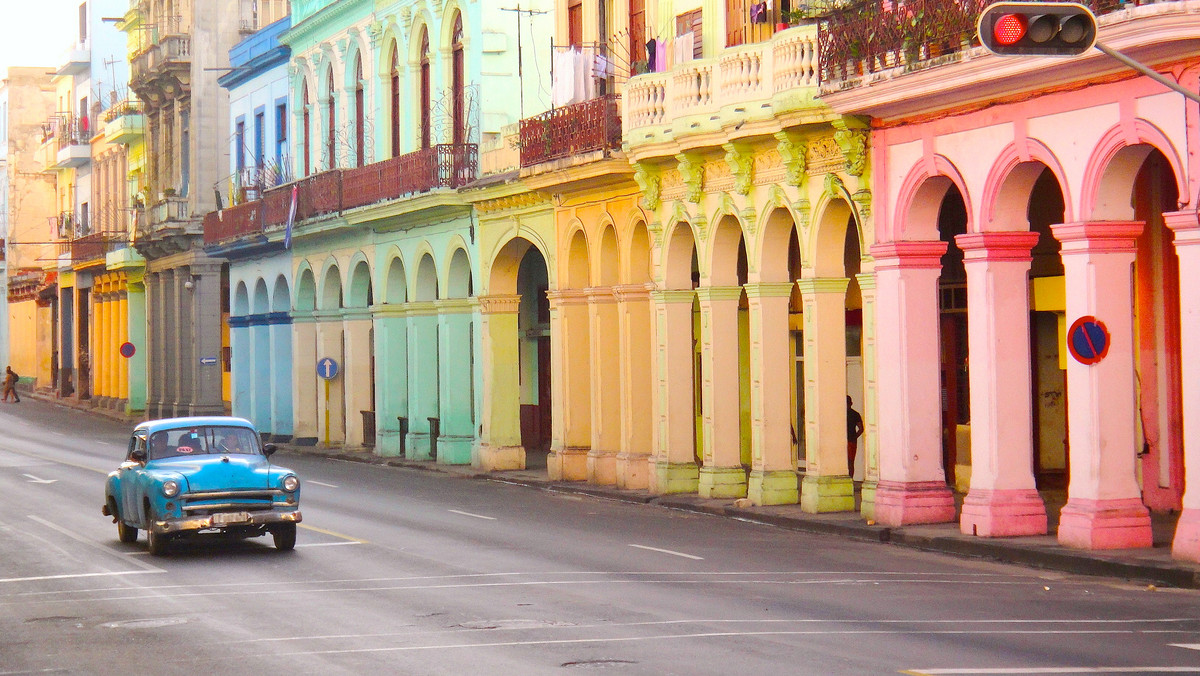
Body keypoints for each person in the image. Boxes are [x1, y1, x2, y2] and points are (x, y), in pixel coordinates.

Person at [847, 395, 864, 479]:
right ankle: (850, 479)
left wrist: (854, 437)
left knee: (849, 462)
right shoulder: (855, 414)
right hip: (850, 440)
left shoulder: (854, 414)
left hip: (850, 440)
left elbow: (861, 429)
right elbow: (861, 428)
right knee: (850, 462)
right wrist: (855, 437)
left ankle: (850, 479)